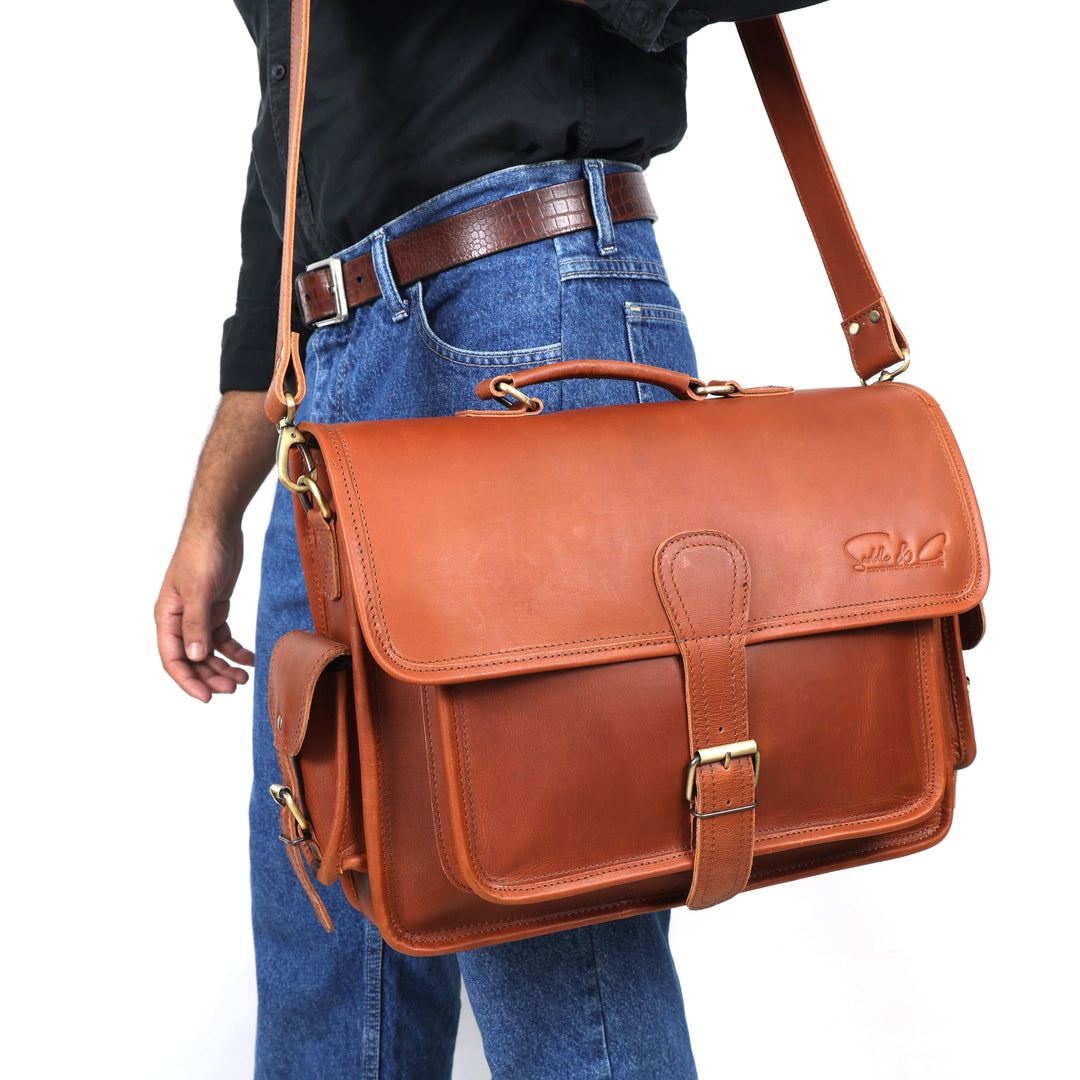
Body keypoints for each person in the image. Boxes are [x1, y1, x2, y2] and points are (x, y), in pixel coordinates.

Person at [155, 2, 825, 1076]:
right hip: (327, 372)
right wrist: (214, 505)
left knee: (554, 939)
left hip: (525, 295)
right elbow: (295, 155)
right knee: (322, 935)